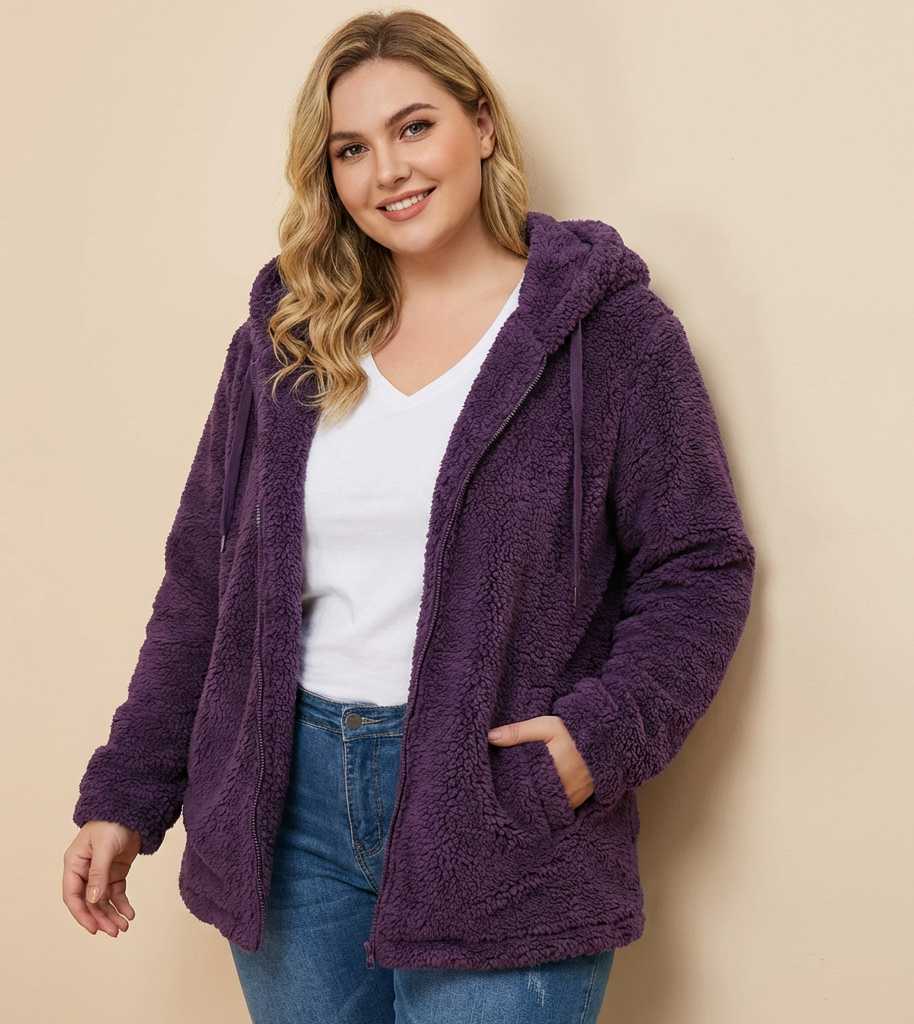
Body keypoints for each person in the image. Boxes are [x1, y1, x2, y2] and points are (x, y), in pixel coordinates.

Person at [62, 10, 754, 1023]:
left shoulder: (609, 337)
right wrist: (128, 793)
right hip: (287, 810)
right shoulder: (287, 340)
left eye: (414, 127)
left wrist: (595, 742)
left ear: (482, 125)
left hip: (497, 807)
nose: (387, 170)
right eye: (351, 148)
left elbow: (698, 565)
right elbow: (204, 583)